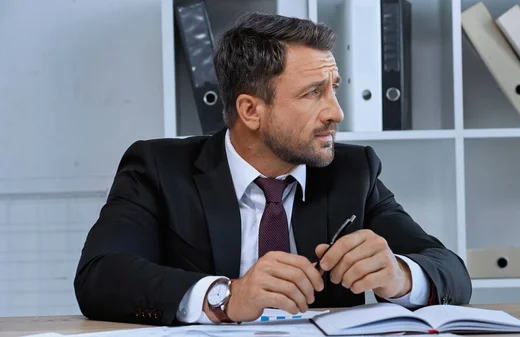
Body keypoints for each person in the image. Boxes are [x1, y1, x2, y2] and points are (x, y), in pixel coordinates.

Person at [74, 12, 472, 326]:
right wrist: (227, 297)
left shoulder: (352, 170)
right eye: (313, 93)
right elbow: (100, 276)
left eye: (334, 88)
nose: (337, 112)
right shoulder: (159, 169)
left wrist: (400, 275)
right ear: (251, 110)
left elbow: (451, 271)